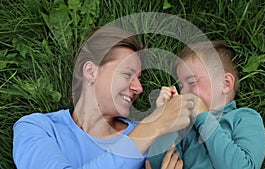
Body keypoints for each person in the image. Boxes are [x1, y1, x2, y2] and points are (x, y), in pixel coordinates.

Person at [12, 26, 202, 169]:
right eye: (127, 74)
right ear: (91, 71)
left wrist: (161, 128)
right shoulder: (37, 127)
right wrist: (154, 124)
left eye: (139, 79)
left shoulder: (150, 141)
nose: (139, 88)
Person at [147, 41, 265, 169]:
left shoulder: (245, 117)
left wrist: (204, 117)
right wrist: (166, 119)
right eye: (181, 86)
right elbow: (157, 164)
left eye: (192, 82)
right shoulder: (185, 129)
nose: (183, 92)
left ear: (225, 84)